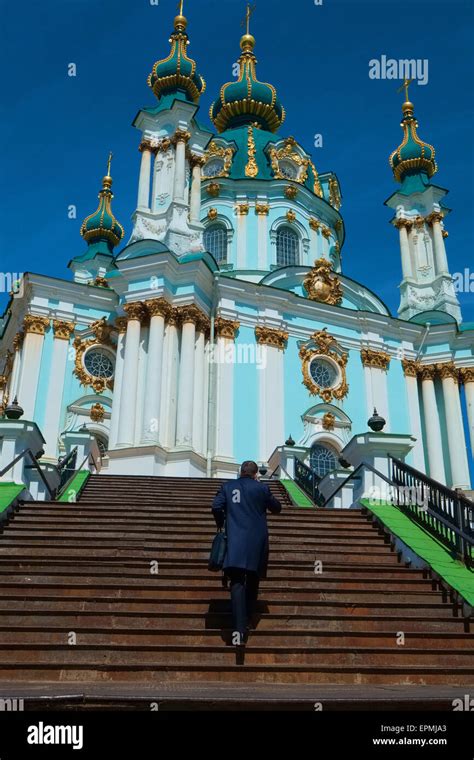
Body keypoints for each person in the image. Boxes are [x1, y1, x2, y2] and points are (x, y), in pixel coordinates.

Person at [212, 460, 282, 646]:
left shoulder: (227, 486)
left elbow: (216, 507)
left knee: (236, 583)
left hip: (235, 542)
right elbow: (277, 508)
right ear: (255, 473)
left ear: (240, 472)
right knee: (252, 581)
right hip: (256, 543)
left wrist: (222, 523)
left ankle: (239, 630)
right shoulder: (261, 488)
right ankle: (249, 618)